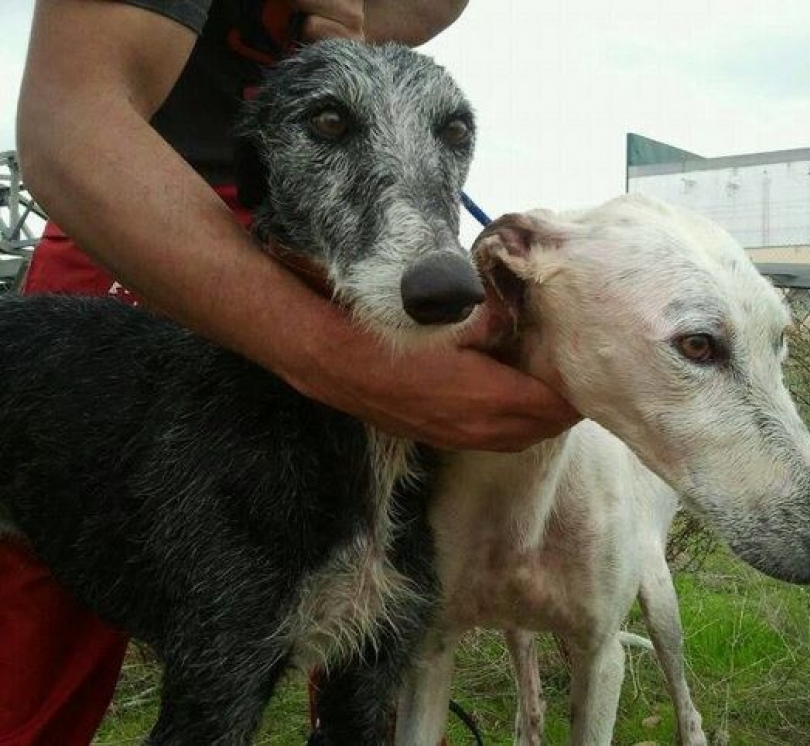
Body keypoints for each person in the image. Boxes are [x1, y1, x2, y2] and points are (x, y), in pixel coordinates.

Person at [0, 2, 578, 743]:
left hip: (316, 253)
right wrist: (345, 363)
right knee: (31, 687)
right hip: (136, 212)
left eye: (452, 132)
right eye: (332, 128)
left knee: (361, 700)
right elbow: (69, 117)